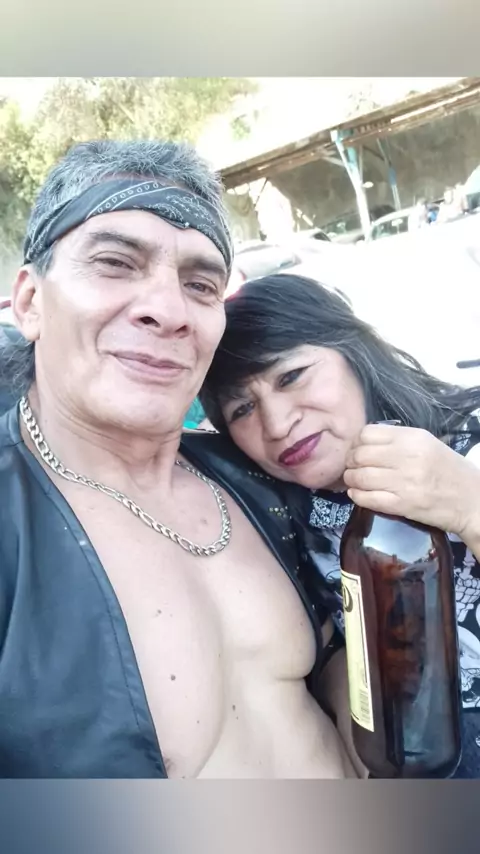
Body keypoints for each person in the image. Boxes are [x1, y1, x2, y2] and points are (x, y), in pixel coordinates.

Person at [0, 140, 358, 779]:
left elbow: (329, 648)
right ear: (30, 302)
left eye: (199, 285)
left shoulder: (258, 474)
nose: (169, 312)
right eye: (115, 263)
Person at [201, 273, 480, 777]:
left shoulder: (468, 440)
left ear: (353, 352)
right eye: (243, 408)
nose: (277, 424)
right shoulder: (277, 514)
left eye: (291, 376)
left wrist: (469, 505)